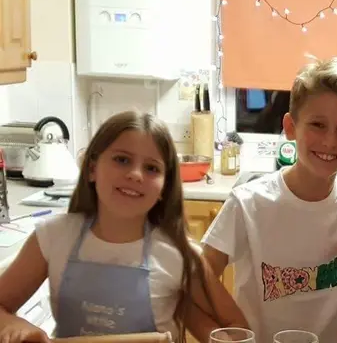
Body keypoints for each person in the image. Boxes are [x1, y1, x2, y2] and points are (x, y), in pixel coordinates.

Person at [0, 111, 248, 343]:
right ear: (92, 169)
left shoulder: (179, 255)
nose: (135, 174)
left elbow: (236, 327)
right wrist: (16, 325)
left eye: (151, 168)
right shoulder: (53, 237)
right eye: (122, 160)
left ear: (164, 187)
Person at [201, 56, 337, 343]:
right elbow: (201, 272)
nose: (330, 141)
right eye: (317, 124)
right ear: (291, 127)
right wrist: (229, 328)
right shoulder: (249, 203)